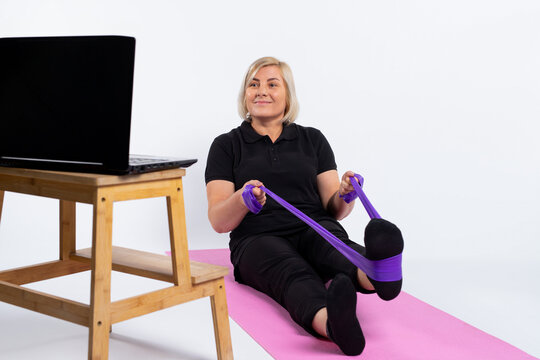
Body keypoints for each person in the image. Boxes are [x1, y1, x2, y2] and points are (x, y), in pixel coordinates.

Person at [205, 57, 403, 356]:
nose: (261, 91)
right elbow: (219, 221)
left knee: (334, 249)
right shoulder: (226, 145)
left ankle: (377, 276)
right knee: (292, 272)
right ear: (244, 94)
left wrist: (346, 194)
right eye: (253, 84)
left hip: (314, 226)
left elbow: (333, 208)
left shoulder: (313, 139)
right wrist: (242, 198)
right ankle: (332, 324)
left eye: (273, 84)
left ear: (288, 95)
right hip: (258, 238)